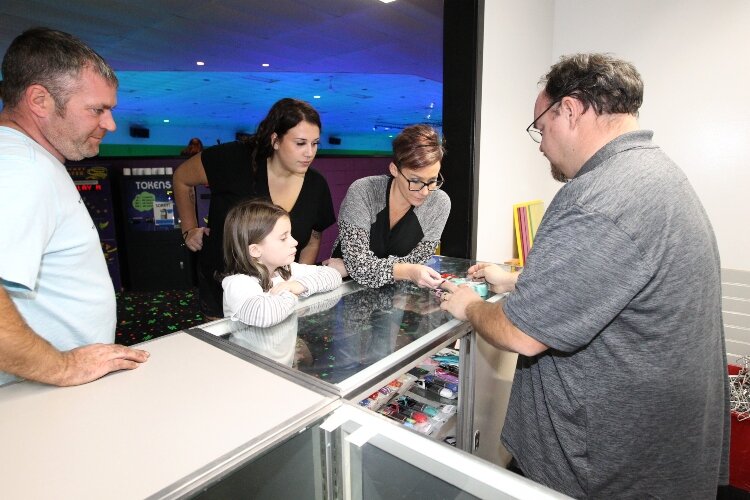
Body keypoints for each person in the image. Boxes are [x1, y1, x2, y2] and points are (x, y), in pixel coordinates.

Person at [440, 53, 729, 497]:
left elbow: (520, 333)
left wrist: (470, 304)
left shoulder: (599, 197)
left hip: (600, 470)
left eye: (540, 126)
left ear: (570, 110)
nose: (540, 144)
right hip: (649, 451)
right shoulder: (652, 174)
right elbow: (615, 284)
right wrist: (516, 281)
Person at [0, 27, 149, 387]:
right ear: (39, 100)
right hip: (34, 395)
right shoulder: (22, 169)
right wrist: (61, 367)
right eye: (97, 110)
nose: (110, 124)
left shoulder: (31, 159)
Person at [174, 98, 336, 319]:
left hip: (277, 287)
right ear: (276, 140)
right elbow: (182, 178)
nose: (310, 153)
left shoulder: (316, 185)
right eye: (300, 143)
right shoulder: (232, 159)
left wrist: (296, 285)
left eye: (315, 143)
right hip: (220, 281)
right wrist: (189, 228)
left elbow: (313, 239)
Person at [325, 125, 450, 288]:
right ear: (394, 170)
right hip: (342, 287)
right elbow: (361, 267)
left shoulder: (439, 204)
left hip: (391, 292)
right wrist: (404, 270)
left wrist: (351, 268)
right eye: (415, 180)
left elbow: (417, 261)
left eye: (432, 180)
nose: (425, 191)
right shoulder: (364, 192)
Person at [220, 200, 341, 328]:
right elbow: (264, 316)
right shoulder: (237, 283)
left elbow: (333, 275)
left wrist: (299, 285)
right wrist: (291, 293)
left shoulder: (286, 270)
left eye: (291, 234)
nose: (295, 242)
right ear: (255, 250)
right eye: (283, 238)